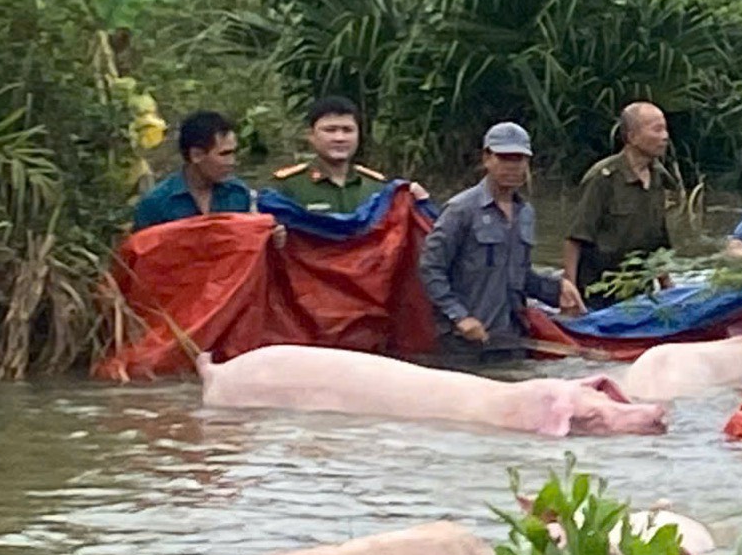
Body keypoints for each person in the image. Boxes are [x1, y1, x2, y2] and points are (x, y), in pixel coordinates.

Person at [418, 122, 585, 362]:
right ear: (487, 158)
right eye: (504, 157)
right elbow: (431, 268)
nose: (512, 166)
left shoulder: (525, 213)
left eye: (519, 159)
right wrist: (460, 317)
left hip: (511, 338)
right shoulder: (461, 210)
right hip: (465, 343)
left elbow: (520, 276)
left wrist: (557, 289)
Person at [563, 101, 678, 302]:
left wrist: (667, 286)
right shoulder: (603, 178)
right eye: (657, 130)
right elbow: (575, 237)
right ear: (632, 137)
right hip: (598, 290)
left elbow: (657, 240)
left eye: (665, 129)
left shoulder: (658, 177)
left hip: (639, 290)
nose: (665, 136)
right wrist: (569, 291)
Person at [133, 111, 265, 229]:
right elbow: (143, 246)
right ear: (196, 155)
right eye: (224, 154)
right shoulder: (156, 204)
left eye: (233, 153)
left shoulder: (238, 194)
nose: (232, 162)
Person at [269, 94, 400, 212]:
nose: (340, 138)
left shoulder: (376, 187)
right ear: (311, 135)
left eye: (347, 130)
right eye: (330, 130)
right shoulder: (287, 186)